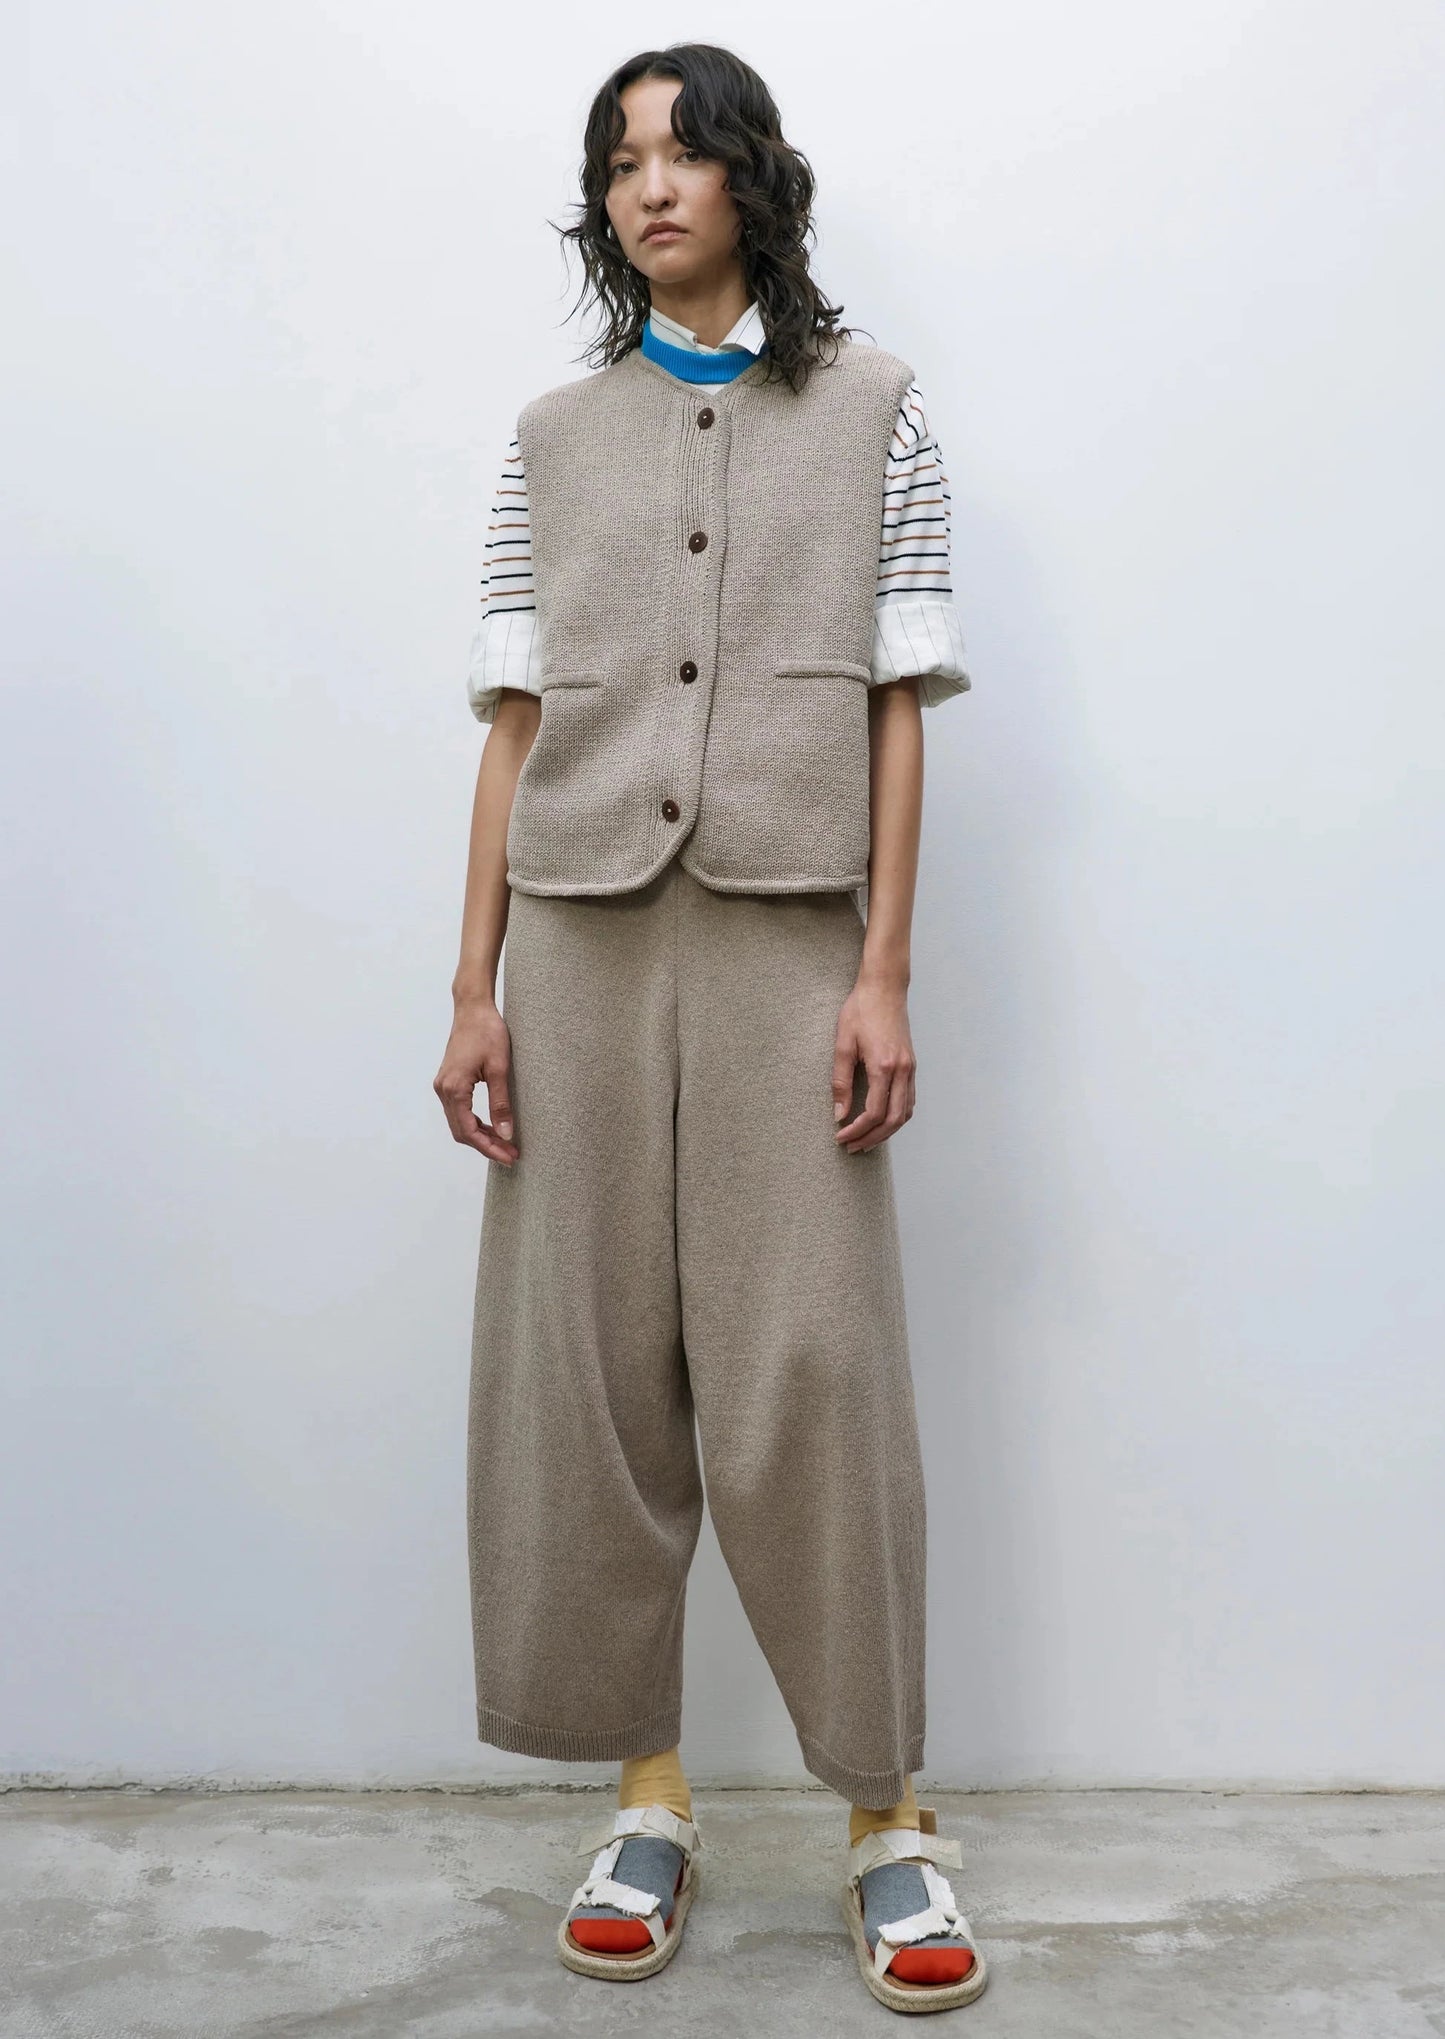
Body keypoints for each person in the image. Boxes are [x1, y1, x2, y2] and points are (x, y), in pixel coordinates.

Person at [435, 42, 987, 2015]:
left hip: (785, 937)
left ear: (756, 176)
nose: (649, 186)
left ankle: (888, 1820)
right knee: (591, 1372)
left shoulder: (877, 413)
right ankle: (647, 1798)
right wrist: (471, 988)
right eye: (618, 161)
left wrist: (882, 969)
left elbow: (899, 703)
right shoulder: (550, 437)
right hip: (578, 944)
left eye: (683, 151)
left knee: (811, 1373)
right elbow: (512, 725)